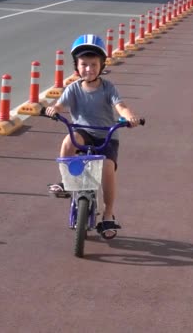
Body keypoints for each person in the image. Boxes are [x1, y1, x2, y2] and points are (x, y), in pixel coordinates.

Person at [45, 34, 142, 240]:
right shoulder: (73, 88)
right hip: (83, 132)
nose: (88, 68)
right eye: (84, 64)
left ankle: (107, 215)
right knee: (69, 141)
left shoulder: (108, 88)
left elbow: (121, 106)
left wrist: (129, 117)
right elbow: (61, 105)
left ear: (102, 65)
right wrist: (54, 109)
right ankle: (66, 181)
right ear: (76, 66)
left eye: (93, 64)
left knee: (107, 167)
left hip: (106, 135)